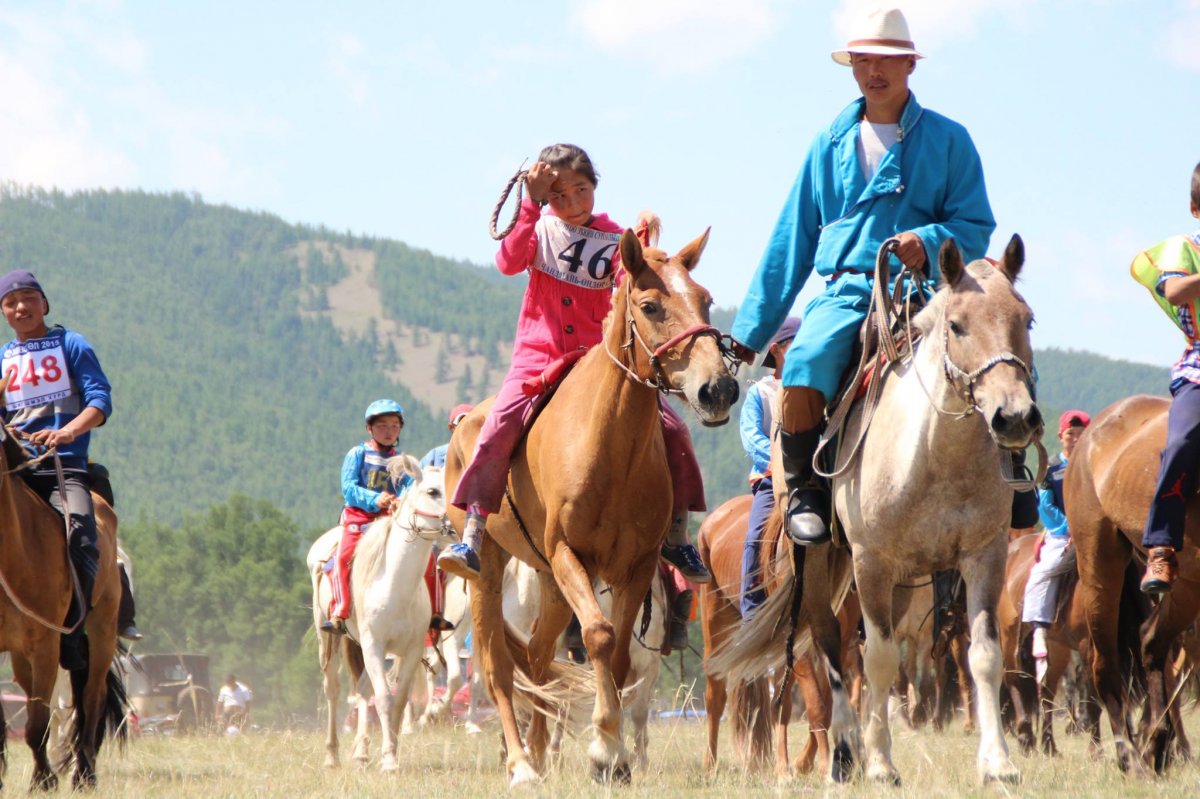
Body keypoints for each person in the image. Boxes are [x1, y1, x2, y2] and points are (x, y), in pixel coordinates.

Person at [728, 8, 996, 546]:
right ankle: (806, 490)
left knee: (998, 345)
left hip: (929, 291)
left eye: (887, 61)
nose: (874, 71)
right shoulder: (826, 143)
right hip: (849, 288)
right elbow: (792, 240)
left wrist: (930, 239)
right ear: (852, 66)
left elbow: (977, 225)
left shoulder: (950, 139)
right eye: (863, 60)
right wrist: (747, 336)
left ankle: (1012, 478)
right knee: (803, 359)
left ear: (909, 66)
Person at [439, 143, 710, 583]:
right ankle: (473, 531)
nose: (572, 204)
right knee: (498, 422)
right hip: (536, 357)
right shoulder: (539, 227)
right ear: (547, 197)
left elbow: (631, 284)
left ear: (595, 187)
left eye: (581, 190)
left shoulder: (616, 235)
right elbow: (508, 262)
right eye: (559, 196)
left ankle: (677, 535)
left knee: (674, 428)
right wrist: (529, 204)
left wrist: (647, 254)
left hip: (596, 359)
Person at [0, 270, 113, 671]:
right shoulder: (2, 358)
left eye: (28, 298)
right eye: (11, 302)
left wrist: (68, 431)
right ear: (4, 314)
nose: (20, 306)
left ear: (44, 304)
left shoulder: (72, 344)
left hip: (63, 468)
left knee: (82, 535)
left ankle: (72, 630)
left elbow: (100, 401)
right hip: (15, 473)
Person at [1132, 161, 1200, 593]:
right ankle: (1161, 548)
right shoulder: (1185, 248)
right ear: (1196, 209)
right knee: (1181, 442)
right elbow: (1173, 290)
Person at [321, 399, 407, 634]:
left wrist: (401, 500)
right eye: (382, 426)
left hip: (390, 519)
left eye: (394, 426)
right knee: (342, 559)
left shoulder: (401, 460)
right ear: (370, 428)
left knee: (426, 557)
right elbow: (348, 487)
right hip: (359, 518)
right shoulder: (358, 453)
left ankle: (434, 614)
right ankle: (340, 611)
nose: (389, 431)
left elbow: (410, 487)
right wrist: (375, 499)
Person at [739, 317, 800, 619]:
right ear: (776, 349)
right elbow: (751, 438)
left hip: (815, 474)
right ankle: (751, 608)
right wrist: (781, 464)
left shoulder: (818, 387)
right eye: (795, 345)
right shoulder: (760, 392)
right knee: (757, 537)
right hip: (771, 480)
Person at [1022, 410, 1090, 669]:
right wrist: (1069, 528)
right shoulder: (1051, 468)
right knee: (1044, 571)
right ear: (1061, 436)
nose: (1076, 439)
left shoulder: (1093, 462)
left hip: (1092, 531)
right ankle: (1039, 626)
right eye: (1071, 434)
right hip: (1062, 534)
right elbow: (1046, 505)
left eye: (1081, 435)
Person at [417, 403, 474, 633]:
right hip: (440, 529)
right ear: (452, 427)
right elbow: (415, 487)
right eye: (462, 423)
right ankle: (432, 612)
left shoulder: (485, 455)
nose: (467, 428)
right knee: (428, 559)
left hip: (470, 529)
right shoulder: (435, 457)